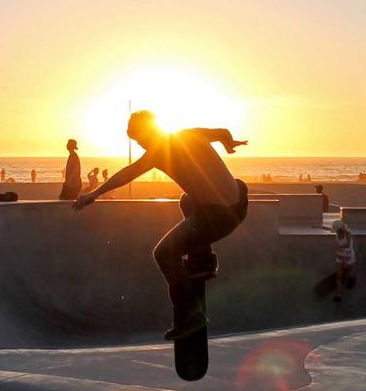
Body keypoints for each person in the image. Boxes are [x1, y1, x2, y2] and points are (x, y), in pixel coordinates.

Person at [72, 110, 248, 340]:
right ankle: (204, 259)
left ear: (147, 133)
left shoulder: (157, 151)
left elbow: (128, 173)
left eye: (140, 140)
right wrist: (229, 144)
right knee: (187, 200)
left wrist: (93, 194)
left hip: (218, 218)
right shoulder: (190, 134)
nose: (141, 146)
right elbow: (223, 133)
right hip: (240, 200)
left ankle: (190, 315)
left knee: (163, 253)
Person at [331, 219, 355, 302]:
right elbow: (328, 228)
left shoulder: (348, 233)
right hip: (341, 256)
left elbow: (348, 244)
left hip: (348, 257)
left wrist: (338, 247)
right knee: (339, 277)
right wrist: (319, 226)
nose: (336, 232)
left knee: (347, 274)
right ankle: (339, 295)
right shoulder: (337, 233)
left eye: (337, 231)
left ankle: (351, 278)